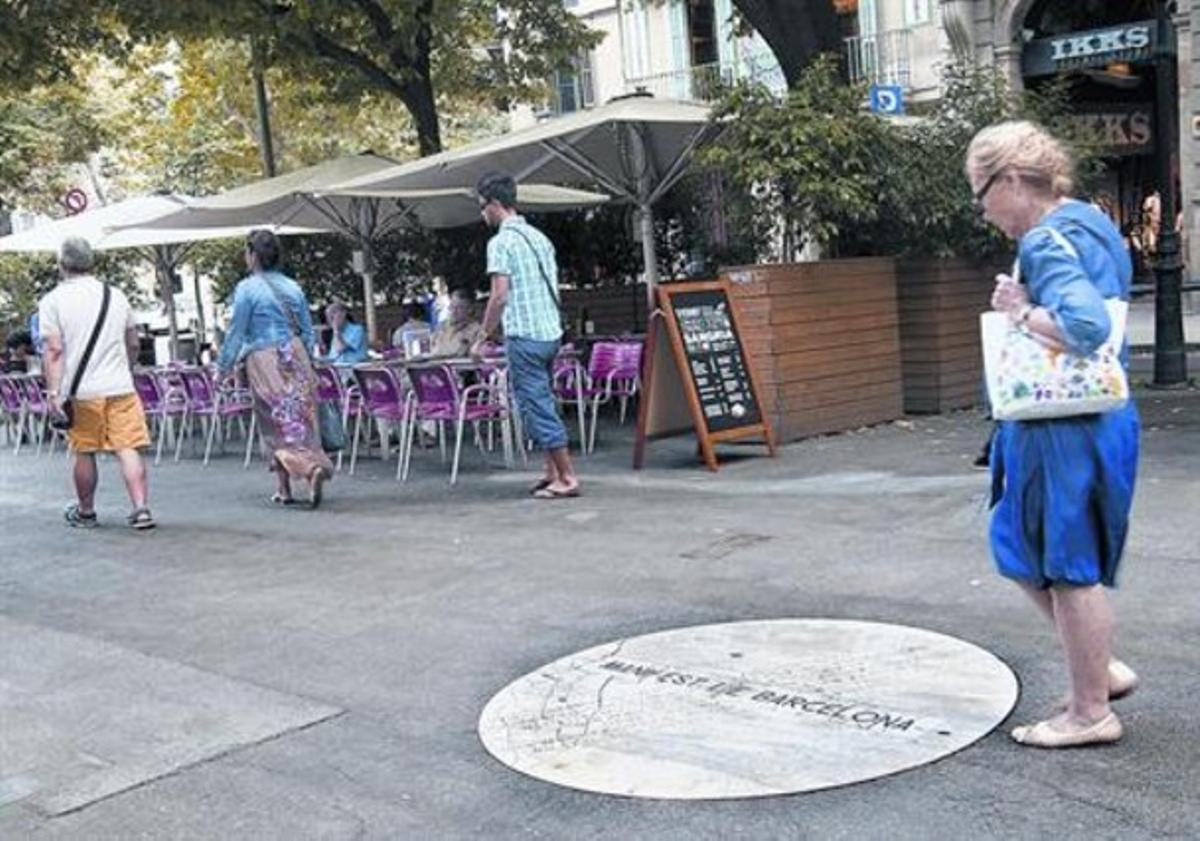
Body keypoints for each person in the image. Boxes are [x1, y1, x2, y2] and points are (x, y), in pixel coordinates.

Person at [966, 121, 1140, 748]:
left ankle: (1090, 711)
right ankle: (1100, 671)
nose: (984, 213)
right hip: (1095, 415)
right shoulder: (1091, 223)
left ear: (1011, 180)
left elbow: (1085, 326)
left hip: (1060, 424)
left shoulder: (1044, 240)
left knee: (1065, 564)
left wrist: (1020, 310)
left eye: (982, 195)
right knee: (1028, 545)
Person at [472, 171, 580, 499]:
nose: (482, 214)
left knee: (536, 405)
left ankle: (567, 478)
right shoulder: (539, 238)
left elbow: (500, 295)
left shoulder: (500, 242)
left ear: (494, 204)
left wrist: (483, 335)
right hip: (550, 334)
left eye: (482, 206)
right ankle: (550, 473)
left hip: (525, 337)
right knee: (543, 401)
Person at [38, 236, 155, 529]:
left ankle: (87, 511)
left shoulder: (52, 301)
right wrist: (125, 367)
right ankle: (140, 508)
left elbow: (53, 350)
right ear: (91, 262)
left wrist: (53, 392)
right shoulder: (115, 295)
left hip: (81, 392)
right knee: (128, 447)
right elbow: (133, 342)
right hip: (120, 386)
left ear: (62, 264)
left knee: (84, 450)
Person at [218, 230, 334, 508]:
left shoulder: (247, 288)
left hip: (264, 358)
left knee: (273, 419)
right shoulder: (293, 287)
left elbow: (237, 331)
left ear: (253, 255)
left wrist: (223, 366)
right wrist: (310, 363)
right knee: (300, 416)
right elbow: (307, 331)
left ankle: (303, 472)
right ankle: (300, 478)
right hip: (295, 354)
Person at [431, 288, 486, 357]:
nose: (454, 311)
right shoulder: (443, 326)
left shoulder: (476, 330)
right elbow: (432, 348)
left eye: (459, 308)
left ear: (470, 309)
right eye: (452, 306)